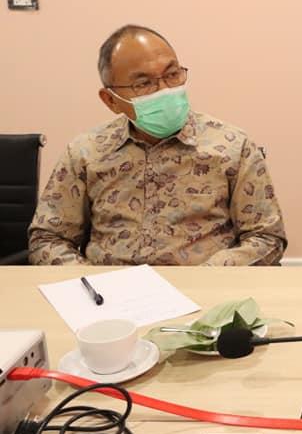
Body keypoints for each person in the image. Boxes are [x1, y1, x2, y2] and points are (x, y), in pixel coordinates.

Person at [28, 25, 286, 265]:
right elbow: (48, 239)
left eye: (172, 75)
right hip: (109, 292)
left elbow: (266, 237)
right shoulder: (85, 152)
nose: (164, 90)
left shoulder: (233, 147)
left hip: (204, 290)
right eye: (143, 83)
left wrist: (209, 278)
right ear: (111, 100)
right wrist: (89, 284)